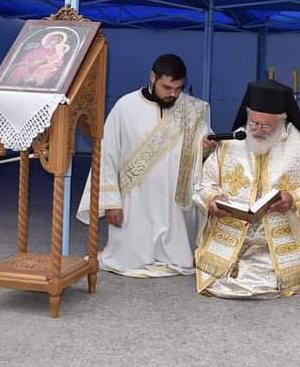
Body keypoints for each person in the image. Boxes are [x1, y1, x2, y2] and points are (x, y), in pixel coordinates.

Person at [76, 54, 214, 278]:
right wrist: (111, 203)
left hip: (174, 202)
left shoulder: (192, 109)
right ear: (152, 77)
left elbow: (203, 147)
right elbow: (107, 154)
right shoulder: (125, 107)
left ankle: (173, 257)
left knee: (178, 254)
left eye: (178, 88)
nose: (173, 94)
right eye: (167, 87)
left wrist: (207, 147)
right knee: (128, 257)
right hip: (135, 200)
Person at [193, 79, 300, 299]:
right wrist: (211, 200)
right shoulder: (233, 141)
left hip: (278, 239)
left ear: (282, 121)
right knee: (219, 277)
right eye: (253, 123)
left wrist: (293, 198)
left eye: (266, 126)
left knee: (274, 280)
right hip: (231, 233)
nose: (257, 130)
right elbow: (203, 182)